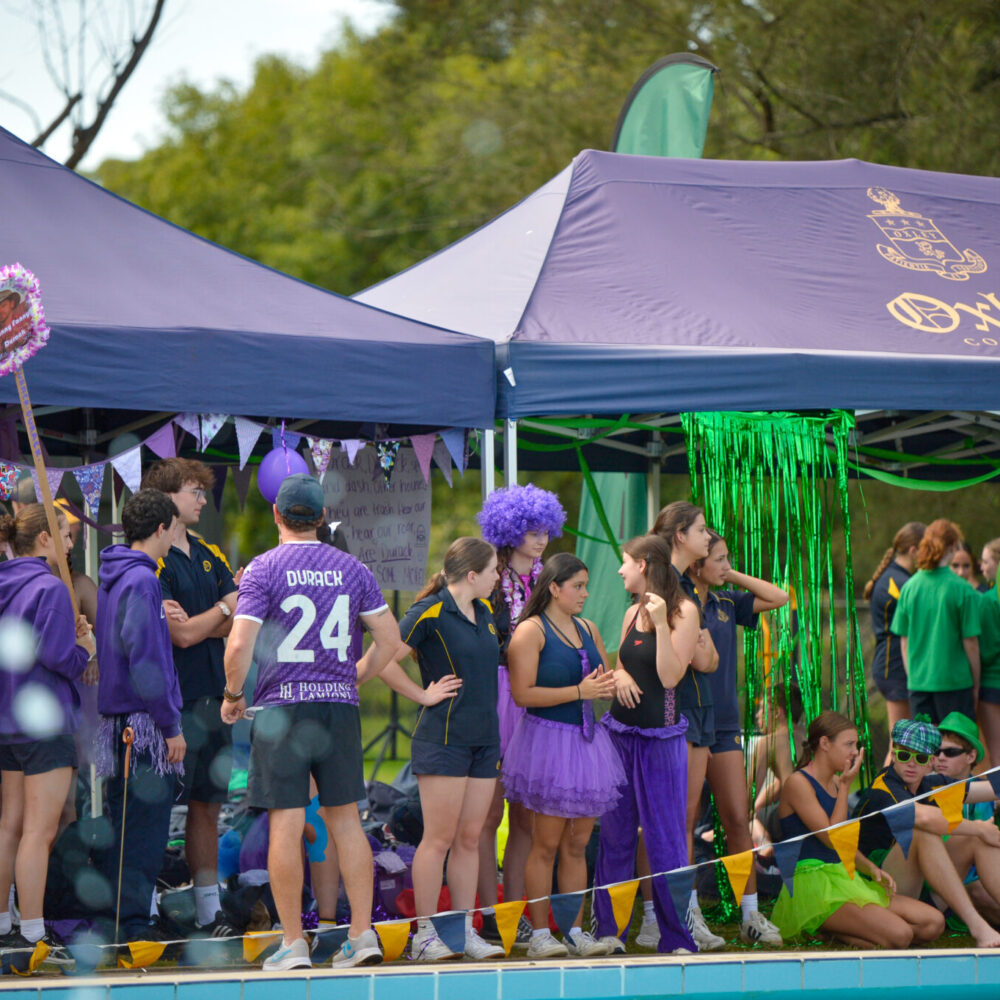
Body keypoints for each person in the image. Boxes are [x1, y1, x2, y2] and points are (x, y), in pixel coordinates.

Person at [221, 474, 401, 972]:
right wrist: (354, 676)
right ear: (322, 518)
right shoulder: (353, 568)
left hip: (282, 708)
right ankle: (362, 934)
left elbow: (239, 644)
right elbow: (390, 639)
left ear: (276, 515)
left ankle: (294, 942)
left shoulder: (263, 567)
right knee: (346, 821)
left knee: (286, 821)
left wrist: (233, 695)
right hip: (338, 706)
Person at [369, 537, 504, 962]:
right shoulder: (429, 611)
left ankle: (463, 930)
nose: (498, 577)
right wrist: (421, 694)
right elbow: (382, 659)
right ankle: (425, 935)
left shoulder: (485, 612)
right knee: (439, 838)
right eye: (494, 570)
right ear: (472, 574)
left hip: (485, 741)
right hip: (443, 740)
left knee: (469, 838)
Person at [503, 553, 622, 959]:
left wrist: (610, 685)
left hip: (587, 743)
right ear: (554, 588)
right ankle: (540, 934)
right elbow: (522, 694)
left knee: (578, 843)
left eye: (586, 586)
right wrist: (578, 691)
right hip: (548, 744)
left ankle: (573, 931)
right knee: (546, 843)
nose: (585, 594)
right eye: (578, 586)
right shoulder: (531, 631)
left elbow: (604, 680)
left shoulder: (588, 628)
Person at [142, 458, 238, 933]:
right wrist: (221, 609)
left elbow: (239, 617)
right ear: (167, 497)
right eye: (193, 491)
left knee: (206, 808)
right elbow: (178, 637)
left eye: (203, 491)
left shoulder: (210, 552)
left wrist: (209, 619)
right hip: (170, 706)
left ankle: (208, 911)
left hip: (214, 700)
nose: (203, 500)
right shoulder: (153, 559)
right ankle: (144, 910)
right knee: (155, 810)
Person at [592, 535, 697, 955]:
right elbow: (620, 665)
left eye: (625, 563)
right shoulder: (630, 612)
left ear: (644, 565)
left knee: (664, 839)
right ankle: (609, 933)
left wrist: (661, 625)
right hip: (620, 735)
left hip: (661, 741)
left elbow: (670, 677)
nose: (620, 570)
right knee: (615, 838)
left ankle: (676, 938)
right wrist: (619, 675)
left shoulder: (684, 611)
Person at [0, 504, 94, 965]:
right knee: (39, 830)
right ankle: (33, 934)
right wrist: (85, 648)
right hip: (45, 721)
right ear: (43, 539)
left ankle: (4, 926)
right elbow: (58, 658)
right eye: (65, 535)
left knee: (9, 828)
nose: (70, 545)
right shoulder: (50, 587)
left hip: (7, 723)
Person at [685, 529, 788, 946]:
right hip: (688, 723)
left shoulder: (727, 601)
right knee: (686, 822)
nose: (727, 565)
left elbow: (779, 597)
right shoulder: (679, 602)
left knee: (737, 818)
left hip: (725, 725)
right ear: (696, 563)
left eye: (729, 558)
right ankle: (688, 912)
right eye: (720, 558)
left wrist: (729, 573)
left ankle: (750, 915)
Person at [475, 483, 566, 949]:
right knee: (489, 815)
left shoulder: (547, 584)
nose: (541, 539)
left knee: (526, 817)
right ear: (509, 531)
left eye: (545, 530)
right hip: (496, 697)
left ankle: (517, 912)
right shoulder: (488, 581)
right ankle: (489, 913)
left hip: (535, 700)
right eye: (532, 531)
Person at [94, 489, 186, 944]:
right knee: (143, 831)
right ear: (160, 528)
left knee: (123, 824)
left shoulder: (114, 575)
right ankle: (132, 927)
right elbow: (145, 658)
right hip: (142, 725)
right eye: (174, 528)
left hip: (118, 723)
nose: (174, 538)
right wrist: (170, 726)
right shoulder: (144, 580)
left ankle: (120, 921)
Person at [771, 712, 942, 947]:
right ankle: (833, 929)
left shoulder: (834, 782)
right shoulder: (798, 782)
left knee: (934, 923)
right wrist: (845, 787)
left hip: (843, 877)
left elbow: (844, 846)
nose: (855, 752)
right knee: (901, 935)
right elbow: (832, 838)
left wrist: (871, 869)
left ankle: (849, 934)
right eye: (849, 744)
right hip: (813, 885)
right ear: (825, 744)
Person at [855, 718, 1000, 948]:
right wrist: (980, 828)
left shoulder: (931, 784)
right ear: (893, 755)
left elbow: (991, 789)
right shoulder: (883, 786)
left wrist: (980, 833)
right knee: (922, 832)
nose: (911, 764)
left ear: (930, 762)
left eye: (920, 758)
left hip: (917, 892)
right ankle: (978, 927)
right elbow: (921, 817)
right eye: (904, 755)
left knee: (975, 840)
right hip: (873, 890)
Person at [650, 502, 720, 949]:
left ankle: (675, 911)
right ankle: (668, 914)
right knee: (673, 821)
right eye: (701, 529)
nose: (708, 537)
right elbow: (690, 659)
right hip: (676, 710)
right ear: (679, 535)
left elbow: (709, 659)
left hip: (696, 705)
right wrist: (698, 649)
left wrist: (700, 649)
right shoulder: (665, 586)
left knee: (682, 819)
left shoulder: (687, 587)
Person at [891, 519, 981, 725]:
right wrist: (976, 684)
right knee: (956, 743)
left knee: (925, 744)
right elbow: (971, 643)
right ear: (952, 546)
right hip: (955, 684)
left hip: (919, 684)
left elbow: (904, 642)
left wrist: (915, 677)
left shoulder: (910, 587)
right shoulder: (963, 589)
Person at [932, 712, 1000, 925]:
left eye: (950, 752)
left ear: (971, 757)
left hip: (983, 873)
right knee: (979, 890)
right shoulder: (926, 786)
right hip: (940, 879)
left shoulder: (984, 794)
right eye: (936, 751)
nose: (940, 757)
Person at [864, 522, 925, 757]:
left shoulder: (898, 577)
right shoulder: (897, 582)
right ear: (913, 550)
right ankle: (886, 783)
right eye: (927, 548)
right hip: (894, 667)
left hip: (895, 666)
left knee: (903, 745)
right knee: (900, 746)